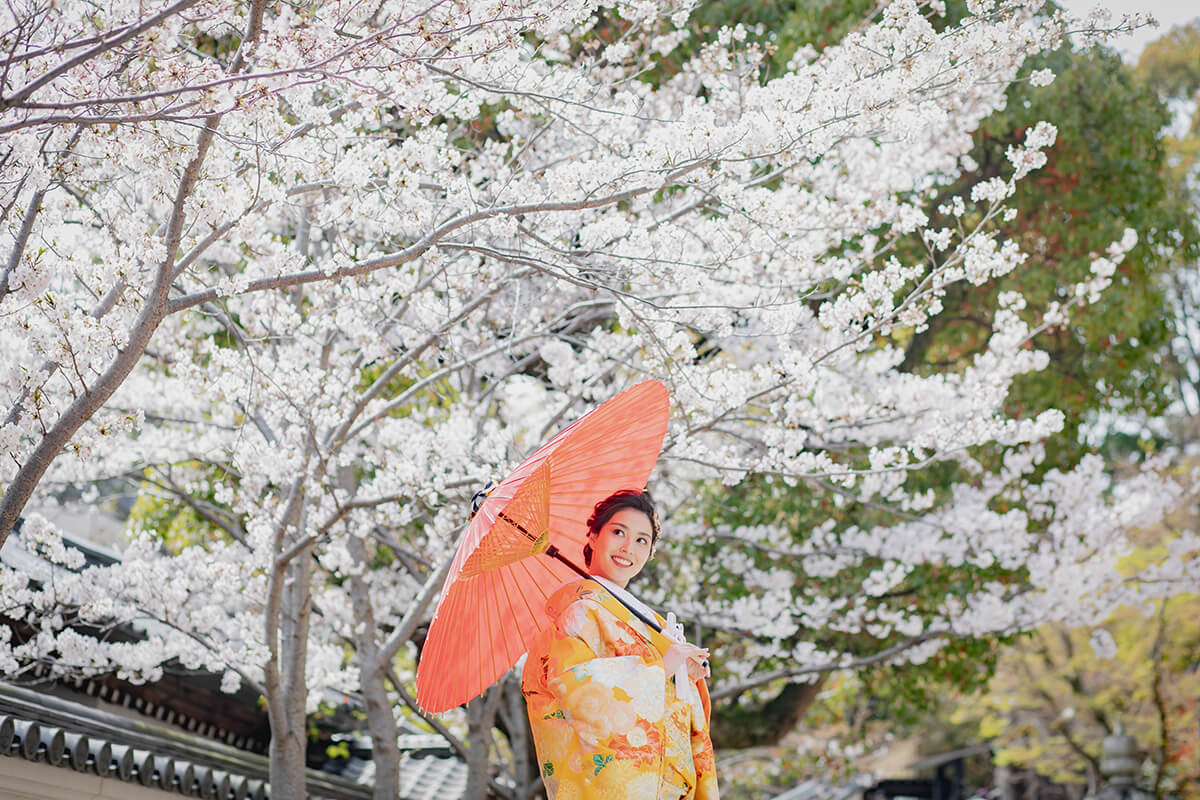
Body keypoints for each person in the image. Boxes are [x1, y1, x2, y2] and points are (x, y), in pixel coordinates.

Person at [521, 490, 720, 800]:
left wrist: (685, 676)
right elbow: (582, 699)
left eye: (642, 540)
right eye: (618, 532)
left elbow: (672, 712)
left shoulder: (645, 620)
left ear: (651, 552)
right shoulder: (578, 614)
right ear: (592, 536)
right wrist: (662, 669)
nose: (628, 547)